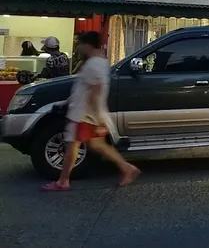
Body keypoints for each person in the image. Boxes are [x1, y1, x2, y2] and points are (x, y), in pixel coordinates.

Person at [41, 31, 139, 192]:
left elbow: (95, 91)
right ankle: (126, 168)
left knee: (73, 145)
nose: (79, 47)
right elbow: (86, 89)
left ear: (87, 45)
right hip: (89, 113)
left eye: (80, 43)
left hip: (84, 114)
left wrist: (98, 118)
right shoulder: (99, 62)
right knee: (96, 145)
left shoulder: (93, 65)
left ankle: (63, 180)